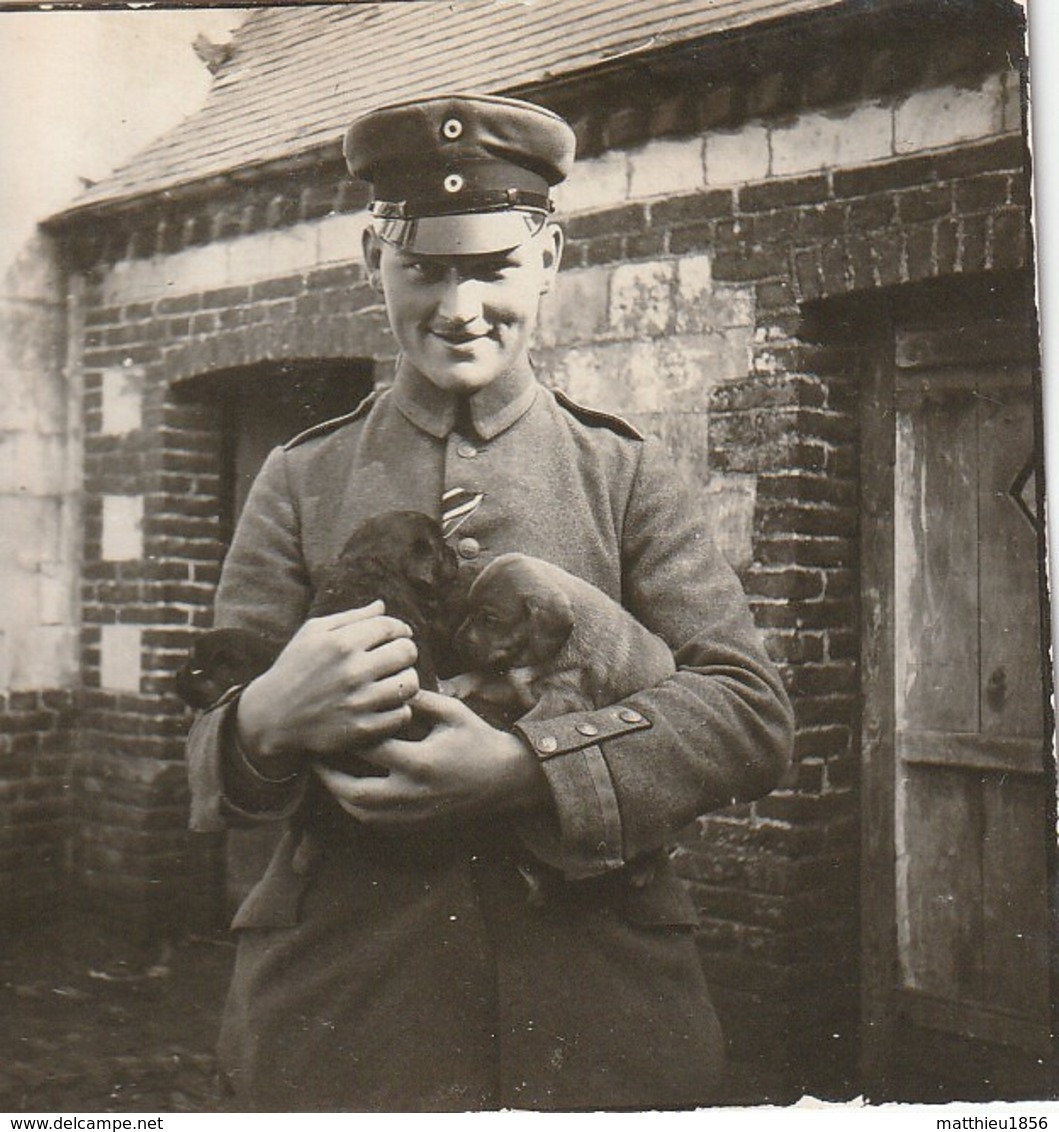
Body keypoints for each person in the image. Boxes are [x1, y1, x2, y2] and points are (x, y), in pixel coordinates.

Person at [186, 93, 794, 1112]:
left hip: (595, 1003)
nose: (459, 306)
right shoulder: (300, 478)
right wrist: (264, 717)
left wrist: (525, 769)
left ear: (549, 257)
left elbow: (748, 714)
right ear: (371, 257)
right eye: (424, 267)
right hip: (344, 1005)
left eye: (493, 267)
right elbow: (207, 752)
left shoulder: (626, 474)